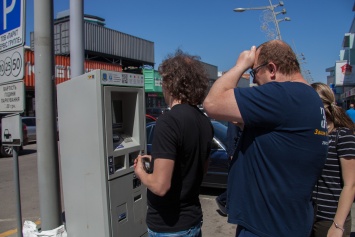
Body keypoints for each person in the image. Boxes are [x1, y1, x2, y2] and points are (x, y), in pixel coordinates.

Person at [203, 40, 328, 237]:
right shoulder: (310, 97)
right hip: (289, 222)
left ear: (271, 68)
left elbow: (212, 103)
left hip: (265, 227)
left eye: (254, 72)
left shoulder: (284, 94)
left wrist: (241, 64)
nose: (254, 81)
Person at [134, 49, 214, 237]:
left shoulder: (168, 121)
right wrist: (159, 160)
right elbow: (199, 169)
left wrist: (141, 173)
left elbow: (160, 186)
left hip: (169, 227)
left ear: (171, 83)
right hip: (192, 222)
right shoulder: (204, 122)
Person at [310, 82, 355, 237]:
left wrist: (338, 225)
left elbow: (350, 184)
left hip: (330, 219)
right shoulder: (310, 135)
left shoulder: (343, 135)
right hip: (307, 216)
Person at [215, 121, 242, 216]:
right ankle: (223, 200)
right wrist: (231, 153)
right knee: (237, 183)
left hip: (241, 153)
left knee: (239, 183)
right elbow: (232, 136)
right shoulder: (234, 120)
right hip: (237, 154)